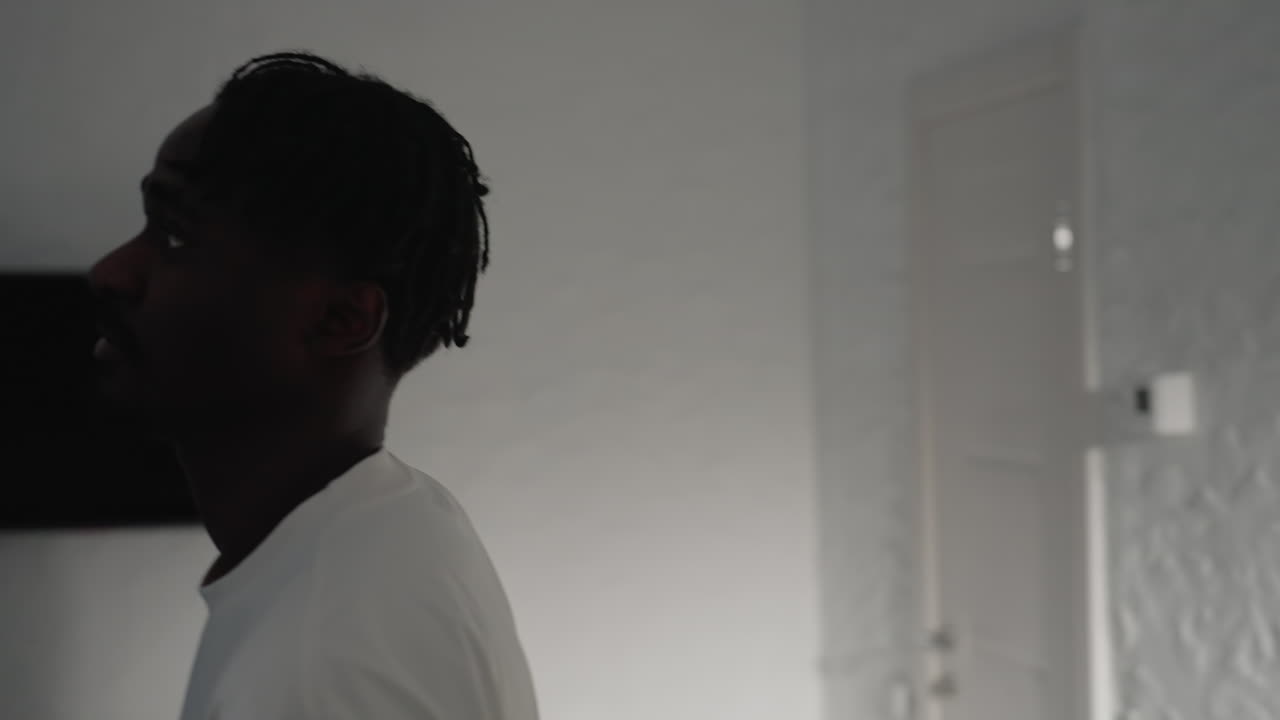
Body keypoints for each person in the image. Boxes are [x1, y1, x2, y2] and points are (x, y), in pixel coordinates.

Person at [87, 51, 539, 720]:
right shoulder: (401, 519)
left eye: (177, 235)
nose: (111, 271)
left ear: (339, 320)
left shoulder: (315, 676)